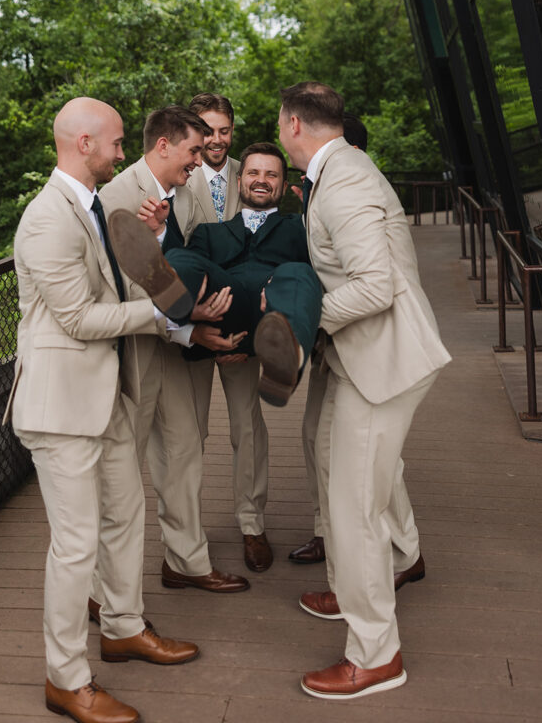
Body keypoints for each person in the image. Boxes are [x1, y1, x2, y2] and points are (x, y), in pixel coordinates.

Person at [3, 97, 199, 723]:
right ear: (84, 143)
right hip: (61, 408)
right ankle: (66, 679)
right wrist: (165, 314)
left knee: (125, 514)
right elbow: (80, 319)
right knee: (76, 544)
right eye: (115, 142)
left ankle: (122, 627)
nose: (123, 153)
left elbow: (117, 282)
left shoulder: (90, 207)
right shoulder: (45, 220)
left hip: (107, 393)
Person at [277, 81, 451, 700]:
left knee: (354, 508)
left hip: (384, 361)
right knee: (339, 474)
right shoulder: (343, 166)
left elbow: (374, 287)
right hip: (365, 358)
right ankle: (368, 577)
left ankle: (376, 654)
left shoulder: (343, 178)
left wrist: (297, 320)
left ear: (292, 125)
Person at [101, 105, 249, 594]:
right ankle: (103, 592)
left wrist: (163, 236)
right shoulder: (113, 198)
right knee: (122, 472)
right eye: (191, 150)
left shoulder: (184, 194)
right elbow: (122, 291)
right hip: (134, 355)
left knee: (185, 452)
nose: (198, 159)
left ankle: (186, 561)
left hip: (176, 351)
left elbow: (187, 259)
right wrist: (189, 330)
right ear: (163, 145)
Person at [108, 141, 323, 403]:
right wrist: (159, 232)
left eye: (271, 175)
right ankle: (173, 296)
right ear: (239, 179)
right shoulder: (210, 232)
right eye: (254, 173)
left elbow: (322, 270)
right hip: (227, 308)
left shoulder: (301, 228)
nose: (262, 180)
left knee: (298, 272)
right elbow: (193, 265)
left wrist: (315, 208)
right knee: (183, 258)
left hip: (275, 310)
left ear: (284, 184)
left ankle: (284, 364)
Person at [183, 93, 272, 573]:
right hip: (190, 327)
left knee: (248, 427)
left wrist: (248, 327)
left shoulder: (252, 172)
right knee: (188, 432)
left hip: (241, 329)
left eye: (224, 131)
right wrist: (193, 324)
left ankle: (252, 524)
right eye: (207, 131)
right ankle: (186, 534)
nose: (216, 140)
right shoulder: (176, 173)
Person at [288, 112, 369, 567]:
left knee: (355, 457)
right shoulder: (317, 193)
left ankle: (388, 552)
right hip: (330, 346)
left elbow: (370, 283)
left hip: (357, 345)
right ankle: (327, 531)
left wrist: (311, 321)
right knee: (314, 437)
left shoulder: (351, 194)